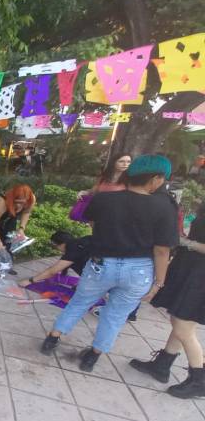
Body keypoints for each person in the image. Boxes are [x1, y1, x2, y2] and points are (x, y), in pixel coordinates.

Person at [39, 155, 179, 372]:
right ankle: (92, 358)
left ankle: (52, 340)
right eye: (162, 179)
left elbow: (95, 225)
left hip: (102, 263)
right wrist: (158, 283)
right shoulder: (165, 207)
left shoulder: (104, 198)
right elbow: (162, 250)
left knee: (79, 302)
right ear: (155, 178)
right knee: (115, 315)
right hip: (139, 270)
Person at [129, 205, 205, 398]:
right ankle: (162, 365)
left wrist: (188, 243)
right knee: (180, 319)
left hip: (200, 276)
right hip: (191, 268)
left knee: (183, 326)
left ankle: (199, 379)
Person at [0, 184, 36, 268]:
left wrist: (21, 228)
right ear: (13, 198)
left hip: (11, 215)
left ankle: (6, 265)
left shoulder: (31, 199)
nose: (19, 206)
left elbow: (26, 212)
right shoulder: (2, 201)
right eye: (18, 202)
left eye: (23, 204)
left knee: (9, 238)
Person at [17, 231, 90, 287]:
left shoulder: (73, 251)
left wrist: (30, 281)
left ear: (62, 244)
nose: (57, 249)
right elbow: (66, 263)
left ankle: (90, 286)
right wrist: (63, 274)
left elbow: (52, 271)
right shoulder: (78, 242)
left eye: (55, 246)